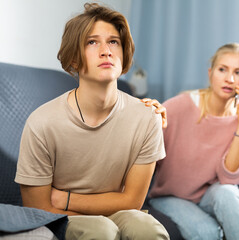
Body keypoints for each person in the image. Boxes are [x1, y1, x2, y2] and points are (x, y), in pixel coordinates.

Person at [15, 3, 169, 240]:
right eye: (92, 42)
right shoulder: (42, 122)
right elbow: (38, 207)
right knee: (101, 230)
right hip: (60, 216)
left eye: (113, 42)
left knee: (146, 228)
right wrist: (87, 215)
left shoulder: (147, 118)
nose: (106, 50)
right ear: (74, 59)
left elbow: (133, 201)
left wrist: (65, 197)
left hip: (115, 212)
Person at [145, 43, 239, 240]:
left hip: (212, 195)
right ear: (211, 73)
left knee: (229, 193)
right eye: (222, 69)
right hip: (170, 196)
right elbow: (145, 147)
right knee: (206, 232)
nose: (230, 79)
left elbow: (230, 178)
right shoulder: (178, 106)